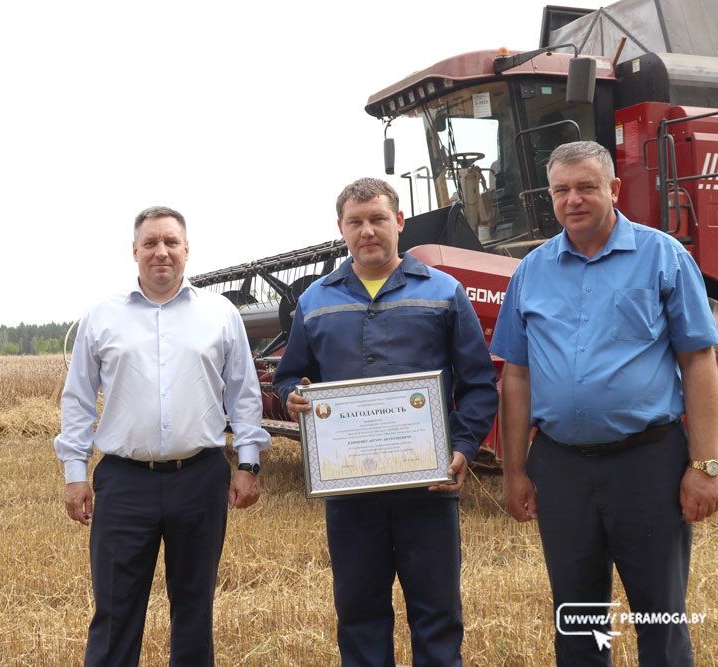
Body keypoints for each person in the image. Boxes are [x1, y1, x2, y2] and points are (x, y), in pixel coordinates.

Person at [491, 140, 718, 665]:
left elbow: (699, 361)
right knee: (577, 621)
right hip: (562, 468)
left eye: (586, 187)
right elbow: (517, 375)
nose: (573, 199)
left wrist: (706, 465)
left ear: (613, 189)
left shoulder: (663, 256)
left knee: (660, 619)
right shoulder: (531, 271)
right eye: (561, 190)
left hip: (648, 463)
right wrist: (514, 472)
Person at [273, 177, 498, 666]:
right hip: (351, 491)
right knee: (359, 614)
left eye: (377, 219)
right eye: (355, 222)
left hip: (428, 487)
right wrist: (293, 397)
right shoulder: (315, 301)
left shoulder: (444, 292)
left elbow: (479, 383)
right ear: (341, 228)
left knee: (437, 613)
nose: (367, 231)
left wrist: (462, 447)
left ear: (399, 222)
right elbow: (288, 377)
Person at [55, 205, 270, 666]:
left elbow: (244, 394)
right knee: (114, 611)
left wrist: (248, 463)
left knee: (194, 609)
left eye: (171, 242)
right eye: (150, 243)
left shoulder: (220, 314)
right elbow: (77, 400)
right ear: (134, 251)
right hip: (124, 481)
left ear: (187, 249)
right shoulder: (102, 316)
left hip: (200, 478)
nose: (161, 251)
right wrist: (75, 473)